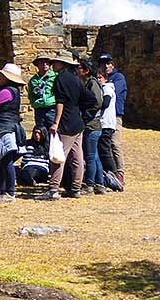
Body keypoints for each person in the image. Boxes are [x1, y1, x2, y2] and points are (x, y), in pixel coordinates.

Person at [38, 52, 88, 201]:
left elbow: (60, 102)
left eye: (56, 62)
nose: (53, 64)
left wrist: (56, 122)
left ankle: (53, 189)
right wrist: (82, 113)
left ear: (63, 64)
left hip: (66, 123)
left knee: (58, 156)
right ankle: (76, 188)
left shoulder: (60, 78)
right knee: (77, 157)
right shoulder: (76, 79)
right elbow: (89, 99)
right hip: (78, 122)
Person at [0, 62, 25, 203]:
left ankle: (9, 192)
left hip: (4, 128)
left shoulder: (6, 91)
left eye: (1, 75)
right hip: (6, 126)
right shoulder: (13, 91)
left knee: (6, 160)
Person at [80, 60, 109, 195]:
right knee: (95, 156)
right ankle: (100, 183)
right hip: (93, 125)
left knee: (90, 156)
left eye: (80, 68)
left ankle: (90, 184)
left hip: (92, 125)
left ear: (86, 70)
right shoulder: (89, 83)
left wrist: (87, 114)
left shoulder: (91, 83)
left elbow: (98, 102)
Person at [98, 54, 127, 186]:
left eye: (108, 63)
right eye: (103, 63)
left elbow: (112, 93)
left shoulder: (118, 78)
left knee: (115, 144)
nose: (106, 66)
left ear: (113, 65)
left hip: (114, 115)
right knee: (103, 145)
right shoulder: (101, 79)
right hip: (102, 116)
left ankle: (119, 173)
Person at [94, 67, 124, 192]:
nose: (98, 80)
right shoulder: (104, 88)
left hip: (107, 124)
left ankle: (114, 174)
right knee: (103, 150)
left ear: (105, 79)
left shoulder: (107, 88)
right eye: (97, 78)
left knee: (106, 150)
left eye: (100, 78)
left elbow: (105, 103)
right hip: (104, 123)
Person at [28, 55, 58, 130]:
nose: (44, 64)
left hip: (51, 108)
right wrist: (34, 103)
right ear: (37, 65)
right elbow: (31, 94)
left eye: (46, 63)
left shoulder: (55, 77)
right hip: (39, 109)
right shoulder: (33, 80)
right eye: (41, 63)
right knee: (41, 130)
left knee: (53, 131)